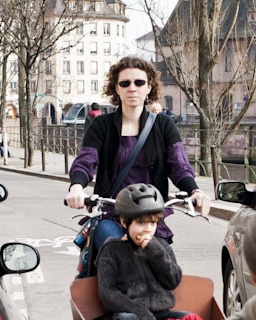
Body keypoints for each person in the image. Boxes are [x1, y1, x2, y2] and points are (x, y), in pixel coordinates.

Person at [65, 55, 210, 271]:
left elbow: (179, 165)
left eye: (139, 82)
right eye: (125, 83)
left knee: (166, 271)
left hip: (150, 216)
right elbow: (86, 159)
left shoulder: (164, 125)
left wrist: (195, 191)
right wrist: (77, 186)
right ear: (117, 88)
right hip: (113, 215)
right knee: (117, 253)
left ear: (149, 87)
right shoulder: (101, 125)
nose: (132, 88)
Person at [96, 183, 185, 320]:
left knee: (187, 319)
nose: (147, 229)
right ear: (124, 222)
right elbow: (107, 293)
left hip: (161, 314)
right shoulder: (112, 250)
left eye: (153, 223)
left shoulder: (161, 247)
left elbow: (173, 280)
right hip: (131, 313)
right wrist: (140, 312)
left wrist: (154, 251)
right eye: (141, 222)